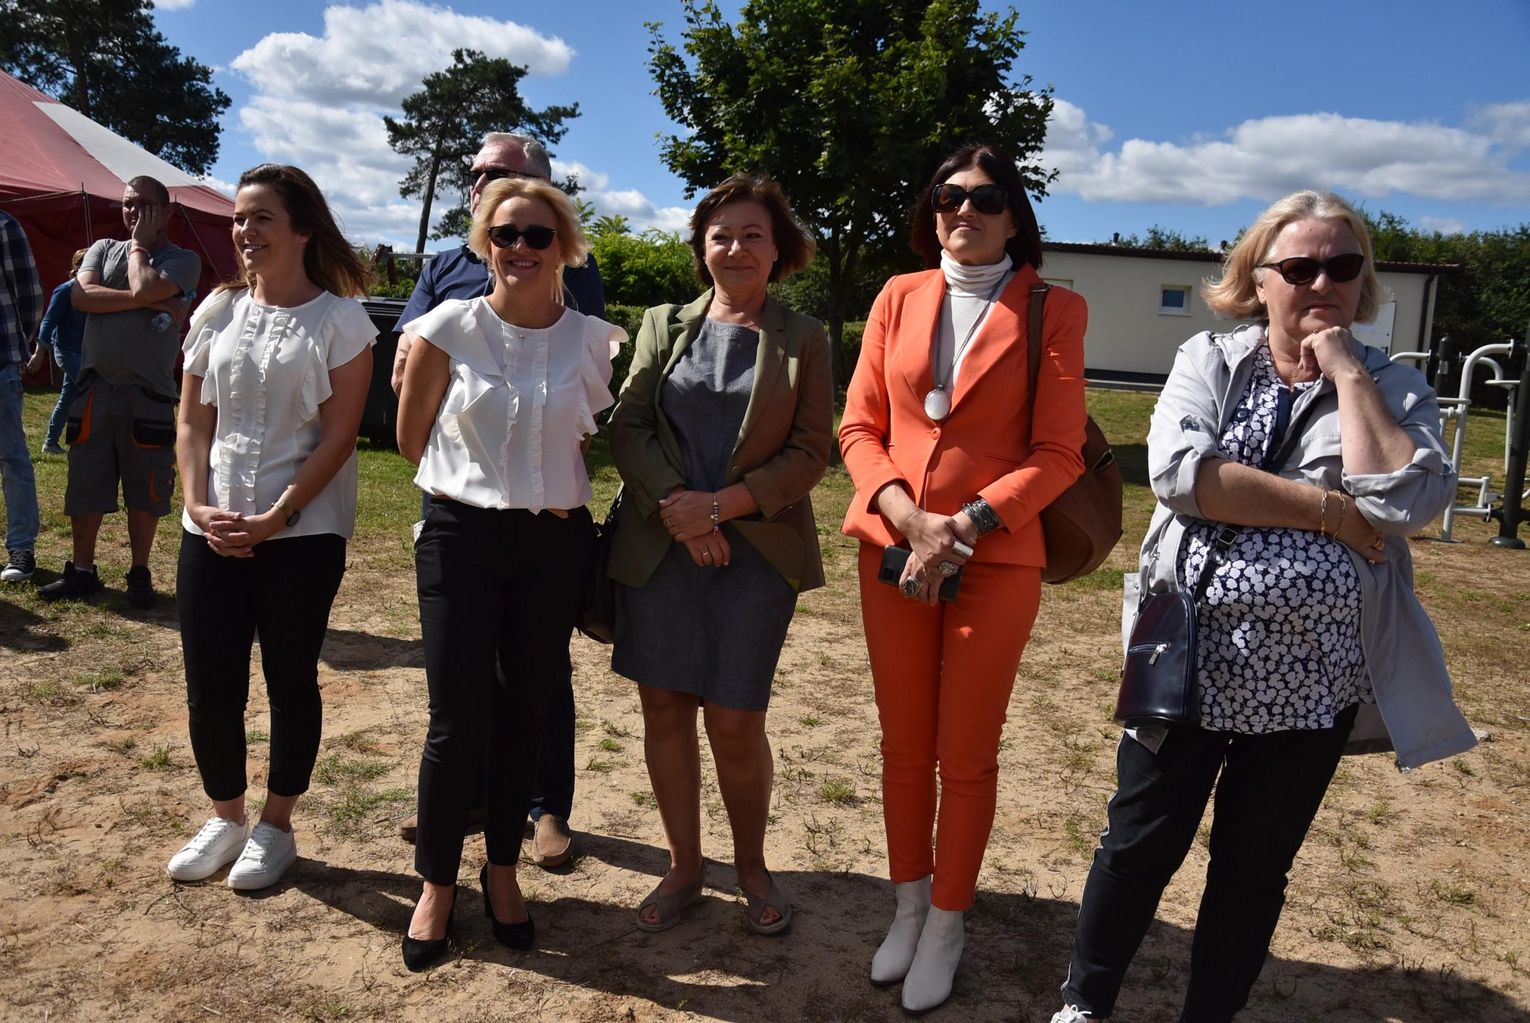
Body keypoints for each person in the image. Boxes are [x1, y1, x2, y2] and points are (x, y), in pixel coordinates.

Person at [1047, 191, 1476, 1023]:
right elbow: (1182, 475)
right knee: (1138, 841)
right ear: (1258, 279)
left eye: (1342, 266)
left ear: (1363, 280)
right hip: (1188, 655)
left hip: (1313, 680)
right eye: (1300, 267)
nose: (1322, 282)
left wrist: (1347, 371)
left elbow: (1405, 499)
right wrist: (1330, 512)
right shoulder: (1211, 359)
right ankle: (1085, 1004)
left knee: (1253, 867)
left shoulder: (1391, 385)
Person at [838, 143, 1088, 1013]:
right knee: (904, 746)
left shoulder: (1055, 308)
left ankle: (948, 921)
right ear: (932, 209)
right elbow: (858, 427)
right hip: (894, 549)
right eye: (949, 196)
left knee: (966, 752)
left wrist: (966, 524)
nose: (964, 211)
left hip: (994, 557)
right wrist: (909, 518)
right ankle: (909, 906)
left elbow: (1060, 451)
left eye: (985, 198)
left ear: (1015, 215)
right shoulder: (897, 296)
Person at [395, 176, 620, 970]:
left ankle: (501, 871)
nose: (519, 247)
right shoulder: (446, 326)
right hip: (460, 535)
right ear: (484, 244)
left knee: (526, 709)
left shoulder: (592, 340)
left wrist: (539, 493)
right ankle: (436, 883)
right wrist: (485, 490)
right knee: (456, 718)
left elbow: (584, 439)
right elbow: (411, 437)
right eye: (504, 234)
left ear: (564, 248)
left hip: (552, 544)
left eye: (537, 235)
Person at [606, 173, 832, 937]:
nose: (736, 248)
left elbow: (811, 452)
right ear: (702, 247)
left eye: (752, 235)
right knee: (665, 709)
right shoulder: (661, 324)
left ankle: (752, 866)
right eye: (721, 235)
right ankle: (684, 865)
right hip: (662, 550)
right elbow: (629, 425)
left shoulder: (805, 337)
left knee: (736, 719)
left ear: (778, 249)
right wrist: (681, 508)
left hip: (756, 556)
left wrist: (719, 507)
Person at [164, 164, 375, 891]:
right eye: (238, 218)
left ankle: (276, 826)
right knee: (210, 684)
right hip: (211, 530)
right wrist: (198, 505)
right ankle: (226, 816)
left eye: (261, 218)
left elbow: (338, 437)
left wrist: (276, 516)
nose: (244, 231)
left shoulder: (342, 321)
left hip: (302, 535)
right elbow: (193, 421)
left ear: (303, 229)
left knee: (290, 679)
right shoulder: (217, 310)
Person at [38, 175, 201, 608]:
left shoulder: (182, 260)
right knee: (85, 481)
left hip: (147, 392)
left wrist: (139, 251)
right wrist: (149, 301)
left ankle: (139, 572)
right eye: (128, 204)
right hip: (94, 387)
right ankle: (82, 571)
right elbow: (81, 297)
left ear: (166, 211)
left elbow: (145, 286)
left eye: (144, 205)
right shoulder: (101, 248)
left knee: (145, 487)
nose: (133, 212)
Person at [0, 210, 46, 584]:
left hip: (0, 361)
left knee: (11, 456)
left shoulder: (4, 226)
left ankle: (21, 548)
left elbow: (30, 295)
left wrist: (18, 347)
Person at [35, 249, 90, 455]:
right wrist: (40, 352)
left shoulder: (93, 292)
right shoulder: (66, 290)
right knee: (91, 390)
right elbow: (48, 321)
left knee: (68, 397)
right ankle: (88, 440)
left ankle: (50, 443)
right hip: (66, 352)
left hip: (83, 352)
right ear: (79, 266)